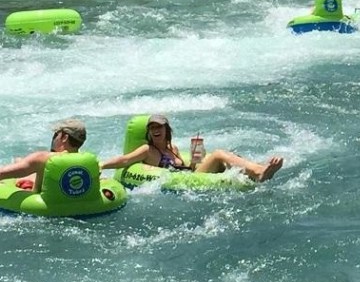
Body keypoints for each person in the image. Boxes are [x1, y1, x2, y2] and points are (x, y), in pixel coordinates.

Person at [100, 115, 283, 182]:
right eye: (152, 128)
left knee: (228, 155)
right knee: (219, 154)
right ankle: (259, 172)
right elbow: (124, 160)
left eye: (159, 127)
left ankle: (258, 171)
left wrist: (198, 155)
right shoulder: (148, 150)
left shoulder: (173, 148)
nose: (156, 131)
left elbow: (191, 166)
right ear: (149, 132)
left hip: (189, 175)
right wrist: (100, 165)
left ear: (166, 130)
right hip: (184, 180)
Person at [0, 119, 87, 192]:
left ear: (64, 138)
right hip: (75, 206)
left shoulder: (42, 158)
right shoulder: (87, 162)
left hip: (41, 208)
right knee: (20, 161)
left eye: (56, 134)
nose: (54, 138)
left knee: (19, 163)